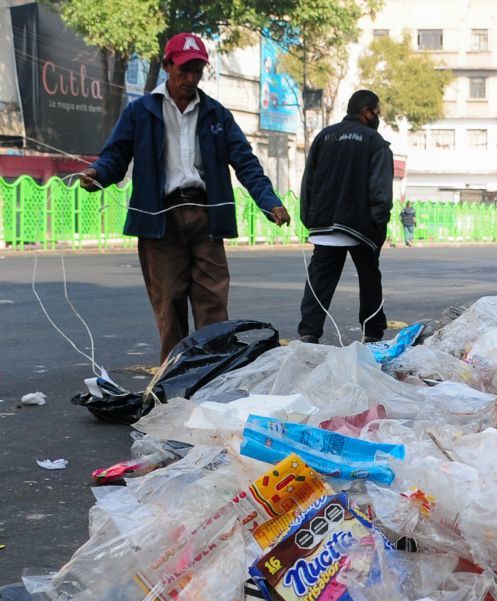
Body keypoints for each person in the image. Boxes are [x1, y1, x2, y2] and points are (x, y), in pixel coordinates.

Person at [82, 33, 290, 359]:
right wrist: (98, 175)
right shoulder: (140, 112)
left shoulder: (217, 114)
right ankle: (175, 380)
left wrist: (269, 201)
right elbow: (115, 157)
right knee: (169, 304)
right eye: (184, 70)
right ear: (167, 66)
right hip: (159, 221)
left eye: (198, 71)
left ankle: (214, 376)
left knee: (213, 304)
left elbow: (246, 163)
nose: (191, 78)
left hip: (207, 217)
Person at [298, 90, 394, 344]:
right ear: (366, 111)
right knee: (370, 278)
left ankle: (309, 332)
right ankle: (373, 332)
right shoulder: (375, 142)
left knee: (319, 280)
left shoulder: (324, 137)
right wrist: (377, 226)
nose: (378, 117)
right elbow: (381, 191)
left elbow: (308, 182)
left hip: (324, 222)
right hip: (359, 227)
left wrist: (310, 219)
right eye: (377, 112)